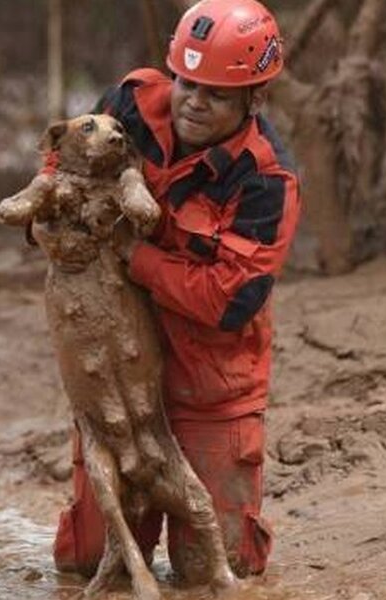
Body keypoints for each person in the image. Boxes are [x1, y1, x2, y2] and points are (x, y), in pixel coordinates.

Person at [50, 0, 301, 580]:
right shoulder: (130, 104)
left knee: (213, 569)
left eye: (215, 92)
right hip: (117, 370)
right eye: (187, 81)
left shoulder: (266, 180)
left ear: (253, 99)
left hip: (210, 382)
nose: (192, 99)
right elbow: (60, 161)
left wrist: (134, 257)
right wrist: (47, 209)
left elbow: (229, 299)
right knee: (91, 563)